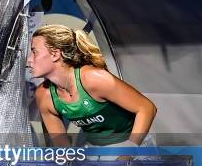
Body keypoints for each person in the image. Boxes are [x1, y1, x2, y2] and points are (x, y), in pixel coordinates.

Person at [27, 24, 157, 148]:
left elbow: (146, 108)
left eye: (34, 52)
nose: (29, 60)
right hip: (95, 149)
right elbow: (61, 146)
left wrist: (129, 152)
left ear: (55, 54)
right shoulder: (44, 95)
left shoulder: (93, 78)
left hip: (133, 144)